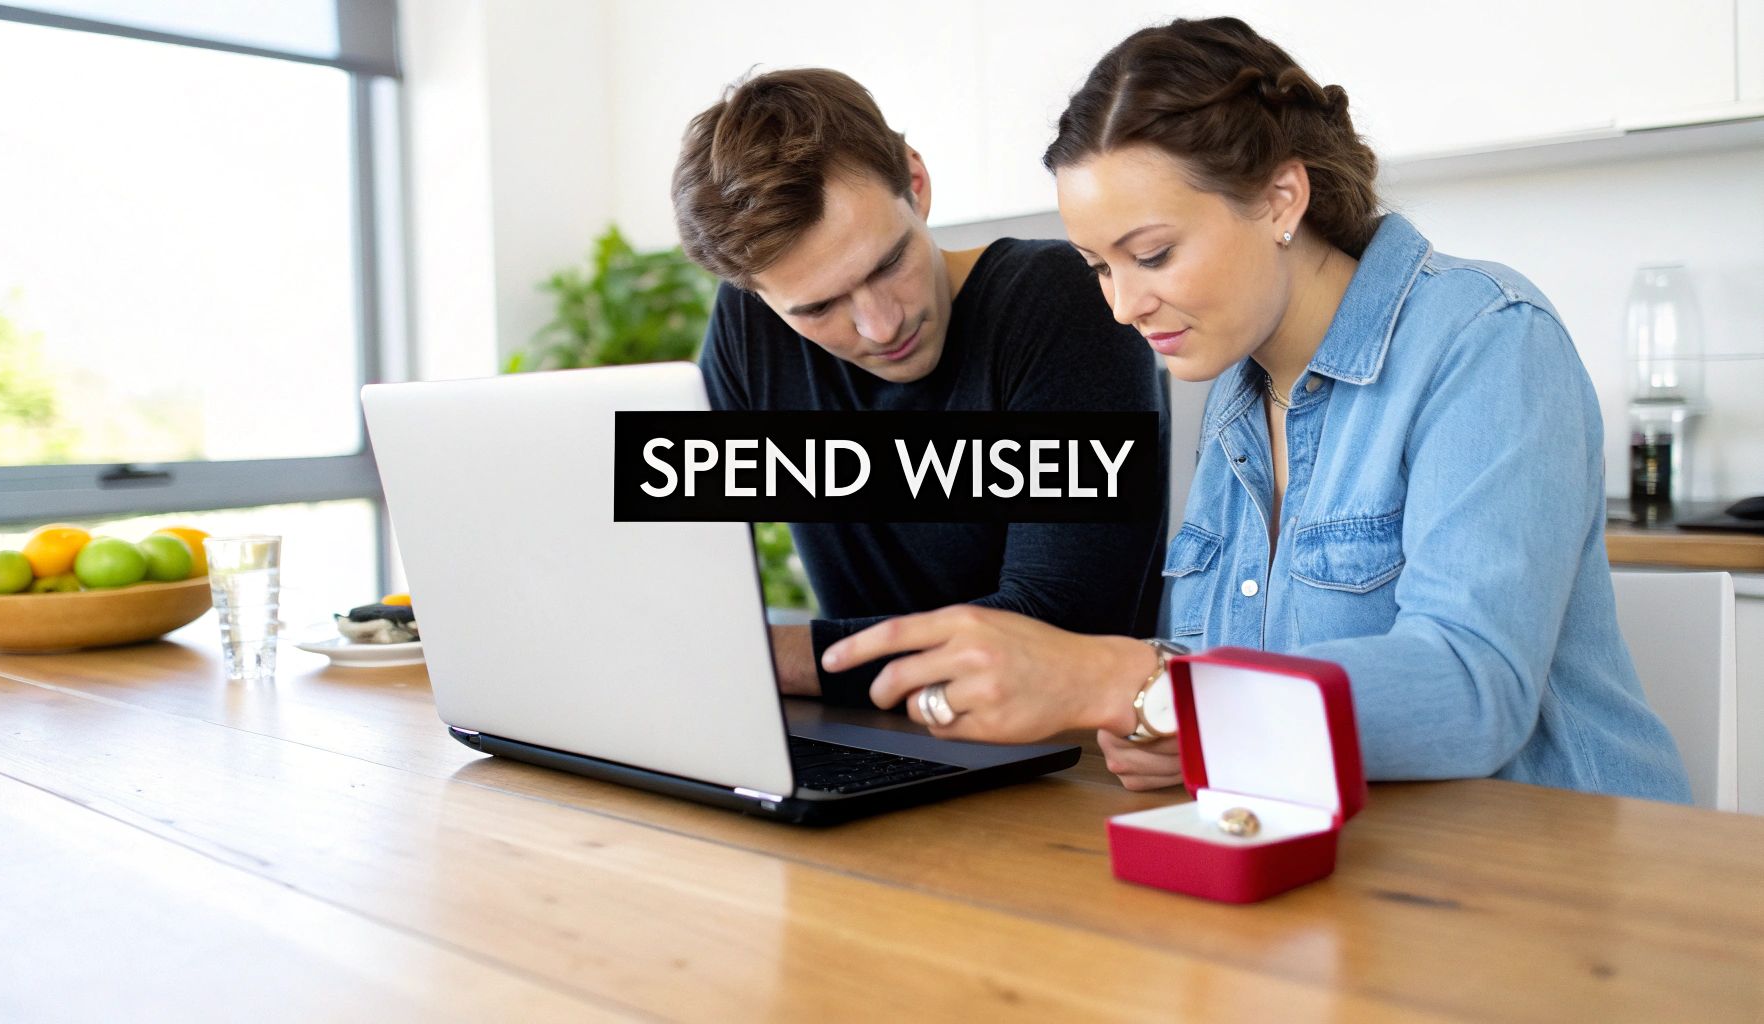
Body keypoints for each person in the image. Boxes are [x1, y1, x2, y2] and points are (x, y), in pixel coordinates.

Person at [820, 17, 1691, 803]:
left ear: (1281, 199)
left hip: (1565, 893)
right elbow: (1232, 691)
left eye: (1152, 254)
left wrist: (1132, 683)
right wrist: (1187, 726)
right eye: (1098, 267)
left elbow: (1471, 691)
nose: (1122, 306)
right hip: (1367, 881)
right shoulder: (1238, 398)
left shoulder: (1487, 338)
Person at [672, 68, 1170, 707]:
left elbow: (1053, 627)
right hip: (869, 728)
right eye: (819, 309)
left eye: (888, 263)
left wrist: (764, 656)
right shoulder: (752, 324)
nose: (882, 325)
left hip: (1061, 757)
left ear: (915, 182)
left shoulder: (1062, 301)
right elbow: (681, 562)